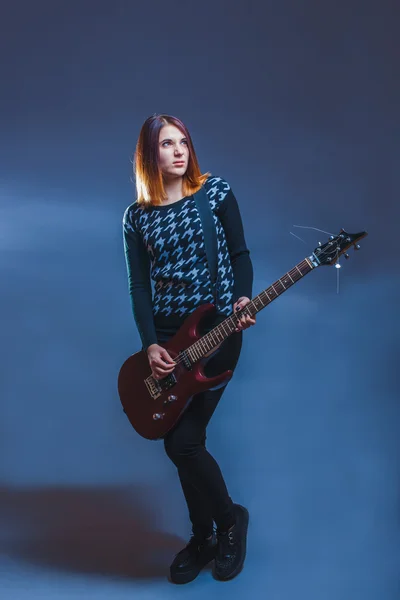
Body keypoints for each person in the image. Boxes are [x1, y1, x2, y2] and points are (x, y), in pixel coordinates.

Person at [122, 114, 256, 583]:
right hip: (168, 341)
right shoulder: (136, 216)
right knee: (180, 446)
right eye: (166, 144)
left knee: (184, 441)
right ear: (149, 154)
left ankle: (227, 524)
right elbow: (139, 286)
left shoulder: (213, 192)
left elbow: (240, 254)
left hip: (218, 330)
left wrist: (242, 296)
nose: (179, 151)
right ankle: (203, 538)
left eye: (183, 142)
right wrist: (150, 344)